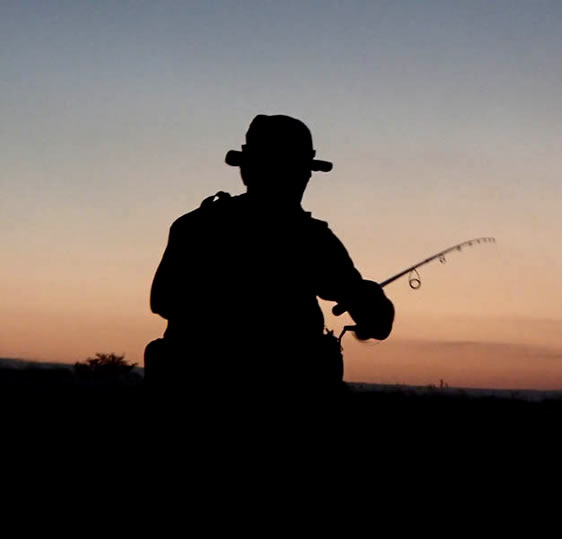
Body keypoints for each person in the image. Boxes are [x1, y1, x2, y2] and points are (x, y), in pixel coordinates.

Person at [145, 114, 394, 389]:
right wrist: (368, 298)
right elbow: (377, 323)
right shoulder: (311, 239)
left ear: (246, 171)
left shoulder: (195, 225)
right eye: (300, 170)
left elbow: (162, 300)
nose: (304, 178)